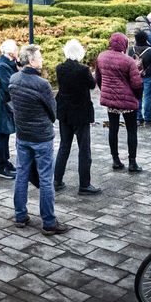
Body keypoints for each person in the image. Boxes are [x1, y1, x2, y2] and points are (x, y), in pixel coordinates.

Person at [8, 44, 66, 234]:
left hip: (23, 135)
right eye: (39, 57)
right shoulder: (42, 85)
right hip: (41, 137)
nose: (42, 60)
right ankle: (49, 222)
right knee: (46, 179)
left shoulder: (14, 79)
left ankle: (20, 215)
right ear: (31, 61)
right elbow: (53, 112)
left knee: (22, 175)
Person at [54, 39, 99, 195]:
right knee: (84, 150)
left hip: (65, 112)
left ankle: (57, 180)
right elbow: (92, 85)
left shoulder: (59, 68)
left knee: (64, 146)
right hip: (81, 113)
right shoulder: (83, 70)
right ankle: (84, 184)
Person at [96, 32, 144, 173]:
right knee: (131, 131)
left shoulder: (101, 57)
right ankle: (132, 162)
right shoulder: (128, 61)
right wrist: (137, 97)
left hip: (111, 102)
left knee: (113, 129)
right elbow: (136, 84)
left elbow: (98, 79)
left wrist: (106, 92)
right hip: (128, 101)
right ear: (124, 43)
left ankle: (116, 160)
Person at [0, 39, 20, 179]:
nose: (17, 51)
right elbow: (9, 85)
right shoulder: (3, 65)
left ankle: (5, 162)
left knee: (5, 134)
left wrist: (17, 62)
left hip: (4, 104)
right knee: (3, 134)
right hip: (3, 105)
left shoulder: (8, 62)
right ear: (10, 52)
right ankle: (0, 166)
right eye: (15, 49)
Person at [133, 29, 151, 126]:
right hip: (148, 76)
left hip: (135, 76)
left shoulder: (132, 49)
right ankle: (148, 117)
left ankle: (139, 116)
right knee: (147, 97)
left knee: (138, 96)